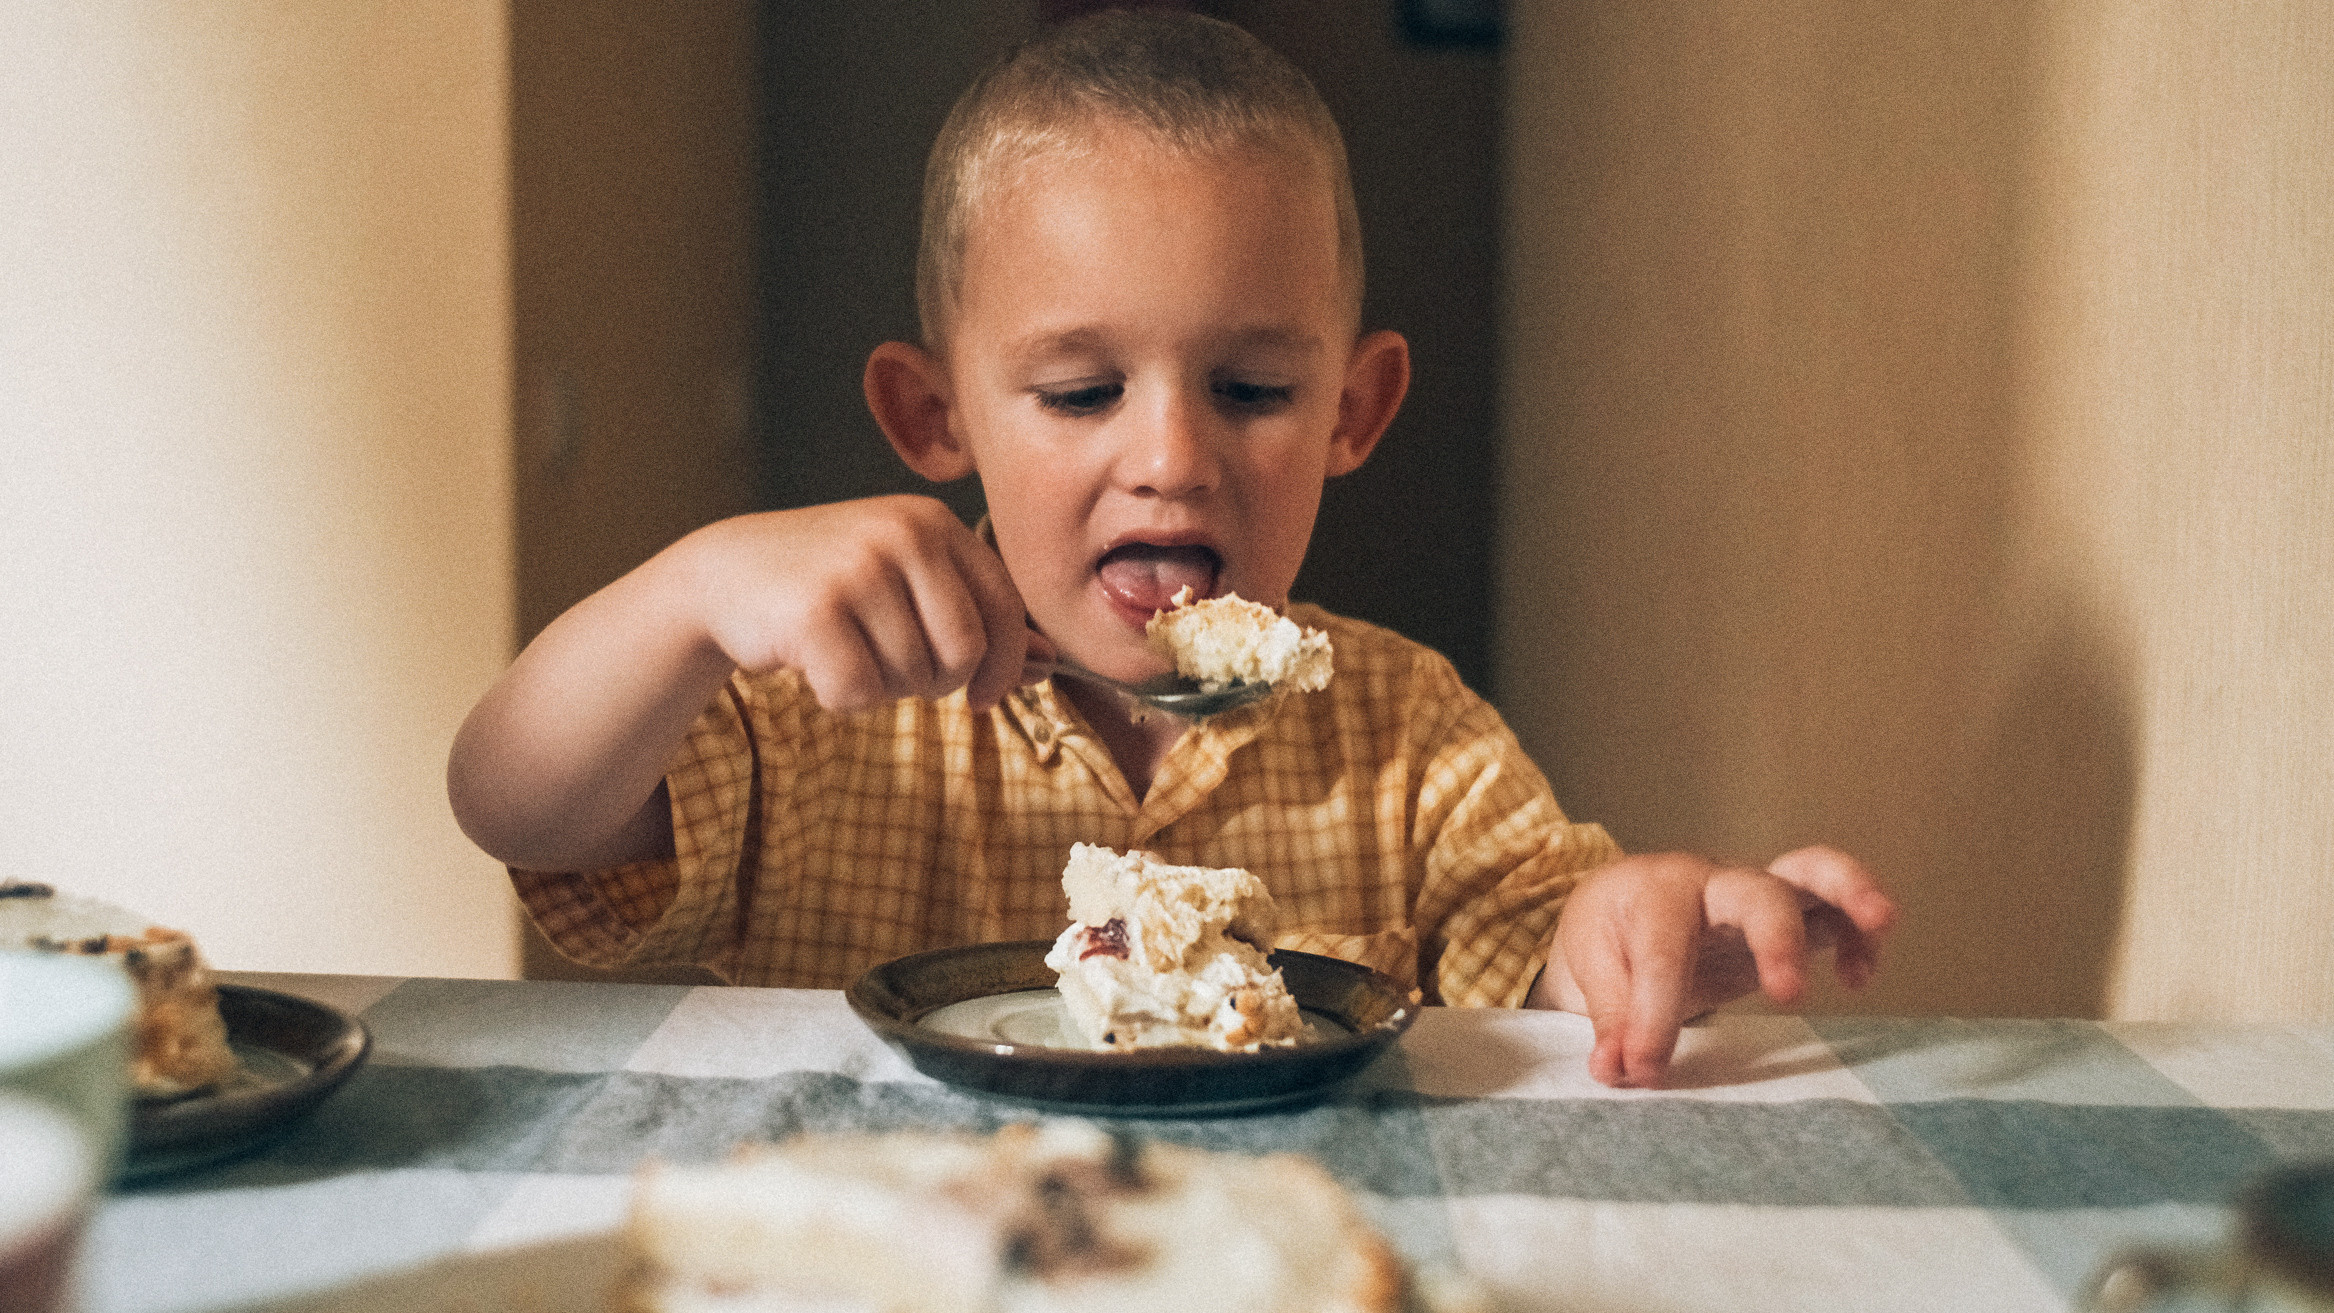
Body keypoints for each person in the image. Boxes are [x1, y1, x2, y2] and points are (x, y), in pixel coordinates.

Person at [446, 11, 1896, 1089]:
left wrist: (1647, 932)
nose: (1170, 456)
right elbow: (517, 801)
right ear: (931, 413)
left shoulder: (1404, 734)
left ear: (1353, 409)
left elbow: (1540, 952)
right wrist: (692, 596)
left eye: (1252, 390)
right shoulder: (817, 713)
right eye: (1080, 392)